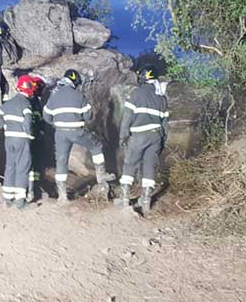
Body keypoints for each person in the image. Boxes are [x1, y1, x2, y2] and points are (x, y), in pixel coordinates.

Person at [43, 69, 115, 203]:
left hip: (60, 133)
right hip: (77, 131)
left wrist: (56, 123)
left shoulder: (54, 95)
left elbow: (46, 116)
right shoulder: (79, 95)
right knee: (96, 146)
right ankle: (101, 176)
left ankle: (62, 196)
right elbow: (88, 116)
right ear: (75, 82)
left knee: (61, 160)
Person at [118, 65, 169, 213]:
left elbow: (127, 117)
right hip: (156, 136)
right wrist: (163, 141)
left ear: (144, 77)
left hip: (139, 136)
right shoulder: (161, 98)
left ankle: (125, 200)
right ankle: (146, 201)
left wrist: (123, 135)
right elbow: (165, 124)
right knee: (149, 167)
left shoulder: (136, 93)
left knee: (130, 164)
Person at [0, 75, 35, 209]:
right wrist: (30, 135)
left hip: (9, 139)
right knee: (23, 167)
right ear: (28, 88)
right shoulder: (26, 103)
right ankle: (20, 202)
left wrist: (3, 126)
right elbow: (28, 121)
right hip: (21, 139)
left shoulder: (8, 103)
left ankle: (7, 198)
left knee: (10, 166)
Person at [26, 75, 46, 202]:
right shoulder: (33, 101)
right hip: (34, 136)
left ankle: (34, 188)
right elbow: (37, 120)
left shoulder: (31, 100)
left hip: (33, 136)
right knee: (34, 164)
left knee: (34, 164)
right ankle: (33, 190)